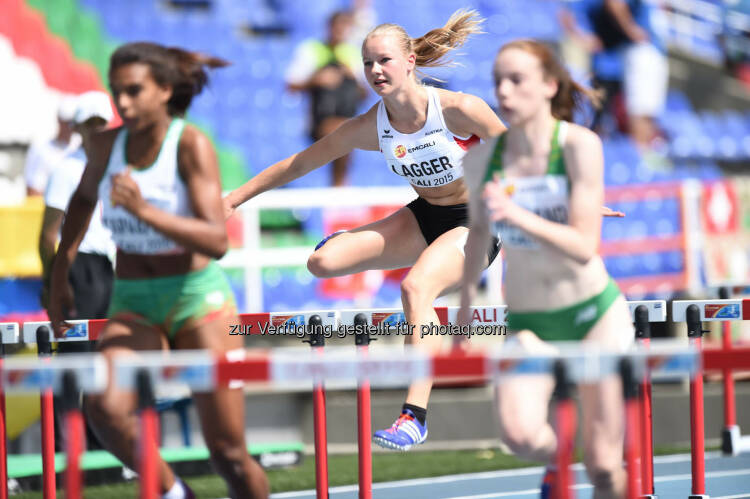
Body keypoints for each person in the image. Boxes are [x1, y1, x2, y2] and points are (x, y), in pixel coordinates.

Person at [225, 9, 506, 451]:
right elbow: (298, 164)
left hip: (474, 222)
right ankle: (402, 301)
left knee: (416, 289)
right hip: (423, 217)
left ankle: (415, 416)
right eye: (368, 63)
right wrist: (236, 198)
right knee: (322, 262)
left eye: (385, 60)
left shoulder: (458, 109)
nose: (375, 71)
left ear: (410, 61)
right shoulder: (370, 126)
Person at [48, 42, 269, 499]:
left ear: (165, 90)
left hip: (196, 298)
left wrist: (144, 211)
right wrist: (58, 272)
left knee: (227, 452)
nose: (122, 103)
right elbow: (83, 200)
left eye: (133, 91)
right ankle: (174, 494)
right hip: (134, 299)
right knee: (105, 409)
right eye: (116, 92)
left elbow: (217, 241)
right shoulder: (108, 145)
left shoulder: (190, 145)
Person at [458, 39, 635, 498]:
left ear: (549, 86)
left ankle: (594, 459)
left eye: (517, 80)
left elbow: (582, 246)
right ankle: (561, 458)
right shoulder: (480, 160)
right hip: (529, 322)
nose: (504, 91)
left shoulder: (579, 146)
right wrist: (462, 311)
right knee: (518, 434)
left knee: (602, 466)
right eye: (498, 80)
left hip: (593, 316)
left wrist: (515, 215)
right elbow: (477, 235)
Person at [39, 90, 115, 452]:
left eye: (102, 123)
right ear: (79, 128)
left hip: (108, 268)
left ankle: (103, 448)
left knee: (106, 359)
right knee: (73, 360)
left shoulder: (114, 167)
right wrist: (52, 281)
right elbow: (47, 234)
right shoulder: (66, 169)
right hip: (77, 268)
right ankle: (67, 450)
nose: (98, 130)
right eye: (91, 124)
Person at [285, 9, 368, 186]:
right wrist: (316, 80)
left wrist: (352, 78)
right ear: (329, 27)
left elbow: (365, 93)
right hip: (320, 119)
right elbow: (291, 85)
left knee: (346, 134)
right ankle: (338, 187)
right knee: (344, 133)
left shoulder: (353, 54)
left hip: (346, 115)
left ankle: (339, 188)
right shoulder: (312, 50)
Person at [24, 96, 81, 197]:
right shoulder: (40, 149)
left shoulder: (82, 148)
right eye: (66, 122)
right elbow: (33, 191)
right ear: (59, 119)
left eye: (73, 122)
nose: (70, 127)